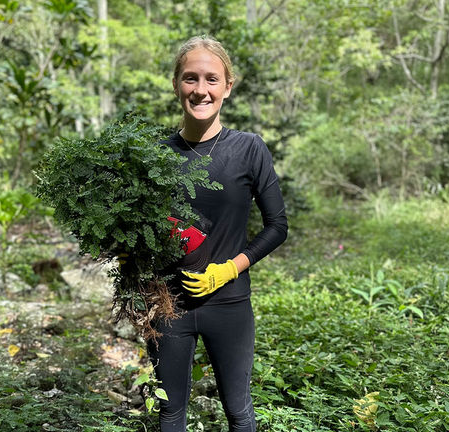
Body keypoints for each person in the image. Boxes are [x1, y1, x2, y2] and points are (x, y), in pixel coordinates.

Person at [148, 35, 288, 432]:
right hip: (167, 305)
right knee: (170, 413)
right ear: (177, 84)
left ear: (228, 86)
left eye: (212, 79)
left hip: (229, 305)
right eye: (190, 78)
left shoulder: (248, 149)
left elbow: (278, 226)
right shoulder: (153, 154)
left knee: (239, 412)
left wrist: (229, 269)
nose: (200, 89)